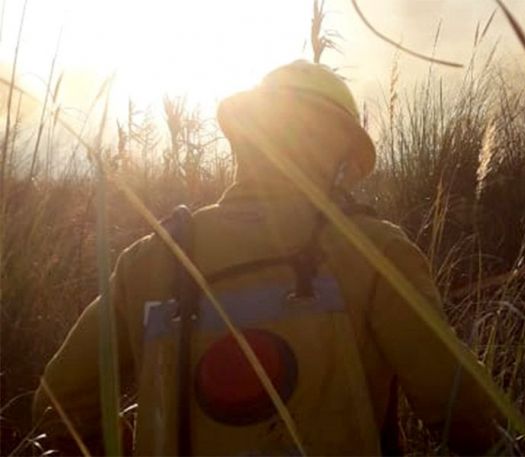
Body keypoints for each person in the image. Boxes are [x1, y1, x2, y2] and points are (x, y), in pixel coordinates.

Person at [33, 60, 499, 456]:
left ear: (242, 142)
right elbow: (462, 412)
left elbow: (60, 402)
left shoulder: (153, 257)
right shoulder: (374, 250)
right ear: (343, 159)